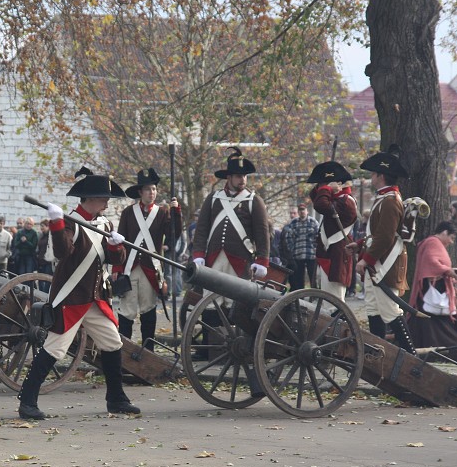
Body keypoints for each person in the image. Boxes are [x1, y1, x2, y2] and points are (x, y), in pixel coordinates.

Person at [17, 167, 140, 420]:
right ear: (90, 199)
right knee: (55, 348)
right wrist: (56, 223)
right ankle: (27, 401)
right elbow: (62, 252)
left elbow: (113, 260)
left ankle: (116, 398)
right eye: (104, 199)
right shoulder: (71, 222)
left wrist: (116, 247)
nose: (107, 203)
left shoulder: (105, 224)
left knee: (112, 343)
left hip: (95, 298)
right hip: (72, 298)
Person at [347, 144, 414, 353]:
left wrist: (365, 259)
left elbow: (385, 237)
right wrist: (360, 245)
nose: (371, 178)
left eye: (373, 174)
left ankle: (411, 356)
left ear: (381, 176)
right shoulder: (384, 198)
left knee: (390, 311)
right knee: (374, 309)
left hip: (385, 265)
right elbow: (378, 233)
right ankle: (378, 355)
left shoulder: (390, 201)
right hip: (378, 264)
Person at [113, 168, 181, 350]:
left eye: (154, 189)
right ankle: (124, 350)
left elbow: (173, 235)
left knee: (148, 310)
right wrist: (117, 268)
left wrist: (176, 212)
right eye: (148, 189)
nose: (152, 193)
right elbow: (120, 242)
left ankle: (148, 350)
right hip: (129, 268)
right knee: (126, 311)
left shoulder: (162, 212)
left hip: (150, 269)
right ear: (140, 192)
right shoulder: (128, 213)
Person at [191, 147, 270, 296]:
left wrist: (261, 261)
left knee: (235, 303)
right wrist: (199, 254)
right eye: (239, 176)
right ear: (229, 177)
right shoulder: (214, 198)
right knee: (211, 301)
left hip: (240, 261)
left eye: (245, 176)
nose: (243, 180)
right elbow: (201, 229)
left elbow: (262, 235)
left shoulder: (254, 201)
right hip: (213, 259)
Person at [407, 221, 457, 363]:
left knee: (427, 324)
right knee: (445, 325)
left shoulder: (432, 243)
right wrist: (448, 271)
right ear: (444, 232)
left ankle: (417, 349)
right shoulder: (433, 243)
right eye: (451, 237)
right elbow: (432, 261)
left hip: (432, 290)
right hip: (433, 290)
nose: (451, 242)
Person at [307, 161, 357, 301]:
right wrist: (326, 187)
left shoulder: (346, 201)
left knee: (334, 301)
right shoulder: (337, 198)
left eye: (325, 184)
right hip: (330, 254)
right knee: (327, 300)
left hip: (337, 255)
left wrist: (327, 188)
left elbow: (321, 204)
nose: (322, 188)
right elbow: (316, 197)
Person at [283, 203, 320, 290]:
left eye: (303, 210)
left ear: (307, 211)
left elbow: (318, 236)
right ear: (298, 212)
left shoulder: (313, 222)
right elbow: (288, 237)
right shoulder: (293, 223)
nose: (302, 212)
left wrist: (316, 248)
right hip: (298, 254)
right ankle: (300, 294)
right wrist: (291, 249)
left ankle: (315, 294)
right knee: (298, 277)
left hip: (311, 254)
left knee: (313, 276)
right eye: (300, 210)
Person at [36, 219, 53, 292]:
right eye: (41, 226)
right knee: (40, 280)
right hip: (41, 261)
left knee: (47, 280)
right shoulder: (41, 236)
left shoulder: (51, 236)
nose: (41, 228)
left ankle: (45, 295)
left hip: (48, 262)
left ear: (47, 226)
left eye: (43, 226)